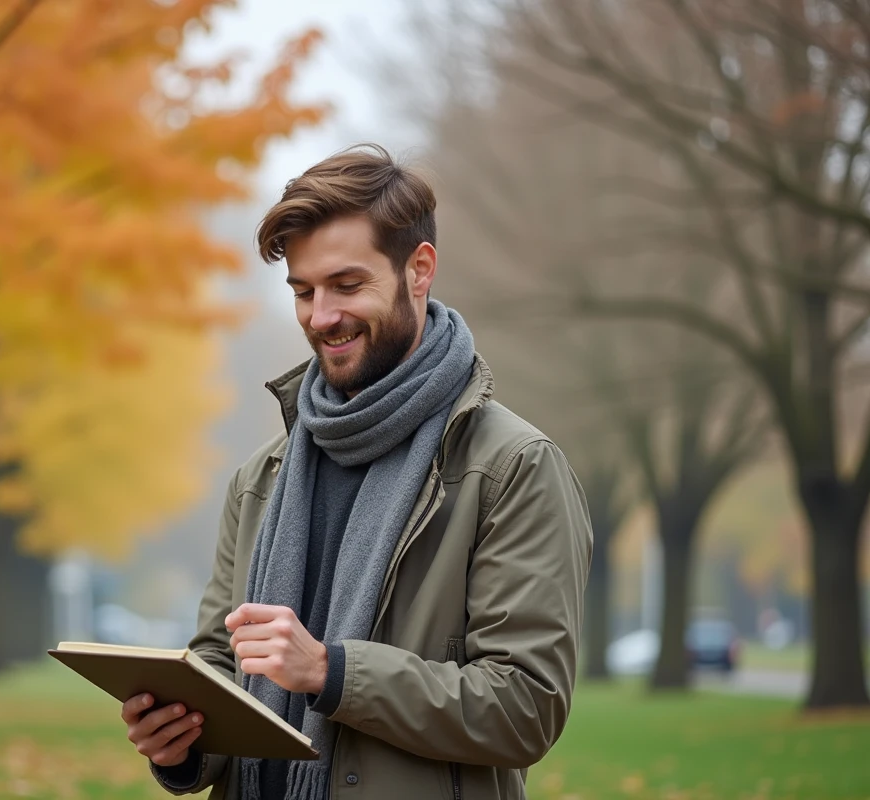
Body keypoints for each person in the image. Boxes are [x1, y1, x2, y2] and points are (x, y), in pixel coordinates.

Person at [120, 143, 593, 800]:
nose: (322, 317)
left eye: (347, 285)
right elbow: (221, 672)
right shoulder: (261, 479)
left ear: (419, 270)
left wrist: (332, 672)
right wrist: (180, 743)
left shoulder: (513, 468)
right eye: (304, 292)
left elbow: (525, 708)